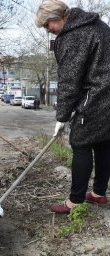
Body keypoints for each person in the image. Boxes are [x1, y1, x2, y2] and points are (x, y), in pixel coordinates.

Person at [35, 0, 110, 213]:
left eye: (47, 26)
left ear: (57, 18)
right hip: (106, 94)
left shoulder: (73, 36)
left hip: (95, 96)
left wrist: (62, 116)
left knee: (80, 143)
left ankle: (75, 201)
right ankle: (98, 194)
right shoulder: (98, 25)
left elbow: (69, 81)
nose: (48, 31)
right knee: (104, 143)